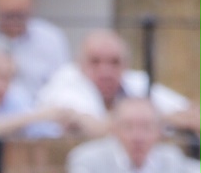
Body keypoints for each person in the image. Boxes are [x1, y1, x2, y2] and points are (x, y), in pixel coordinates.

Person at [38, 29, 201, 136]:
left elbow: (192, 112)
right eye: (95, 62)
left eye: (114, 62)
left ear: (126, 65)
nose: (106, 71)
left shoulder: (136, 80)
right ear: (79, 64)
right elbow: (100, 129)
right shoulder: (65, 80)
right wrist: (158, 119)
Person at [66, 95, 201, 173]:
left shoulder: (171, 158)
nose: (138, 136)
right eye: (128, 127)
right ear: (114, 129)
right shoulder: (87, 159)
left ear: (159, 132)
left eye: (146, 127)